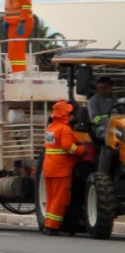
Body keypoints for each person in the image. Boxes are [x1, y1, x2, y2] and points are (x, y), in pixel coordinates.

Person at [42, 99, 86, 236]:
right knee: (59, 199)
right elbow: (68, 147)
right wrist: (81, 150)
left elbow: (64, 140)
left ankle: (47, 224)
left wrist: (77, 140)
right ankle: (53, 227)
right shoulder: (64, 129)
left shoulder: (51, 128)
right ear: (65, 114)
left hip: (49, 168)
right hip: (61, 170)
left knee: (51, 198)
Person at [0, 0, 34, 72]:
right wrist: (6, 20)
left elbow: (26, 4)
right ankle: (16, 73)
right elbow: (10, 5)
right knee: (12, 53)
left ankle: (19, 74)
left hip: (21, 22)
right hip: (12, 22)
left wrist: (22, 21)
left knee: (17, 51)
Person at [87, 76, 116, 142]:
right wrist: (112, 120)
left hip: (117, 126)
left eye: (105, 88)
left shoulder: (114, 99)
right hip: (102, 127)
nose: (102, 90)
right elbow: (94, 119)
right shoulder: (93, 101)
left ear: (111, 88)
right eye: (100, 88)